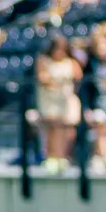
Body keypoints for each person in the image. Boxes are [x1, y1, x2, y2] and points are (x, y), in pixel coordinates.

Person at [36, 35, 82, 174]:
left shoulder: (71, 62)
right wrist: (56, 83)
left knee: (66, 129)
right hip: (50, 101)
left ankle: (63, 157)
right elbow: (42, 78)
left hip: (65, 101)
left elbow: (78, 76)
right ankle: (51, 157)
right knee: (52, 128)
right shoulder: (44, 60)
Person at [82, 30, 106, 172]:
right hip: (98, 104)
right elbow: (86, 89)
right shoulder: (91, 64)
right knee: (100, 123)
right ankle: (104, 158)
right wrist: (86, 108)